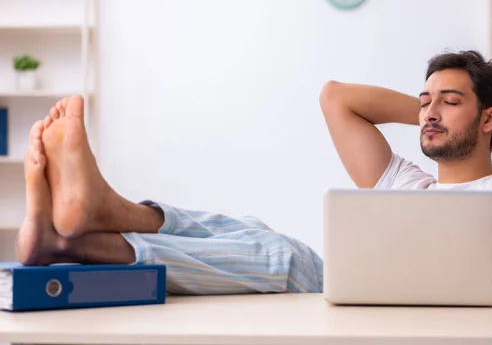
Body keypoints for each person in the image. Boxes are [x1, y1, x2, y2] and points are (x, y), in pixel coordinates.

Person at [319, 50, 492, 294]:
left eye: (451, 101)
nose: (429, 113)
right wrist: (436, 116)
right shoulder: (403, 186)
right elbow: (335, 97)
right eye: (424, 103)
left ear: (488, 119)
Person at [16, 96, 323, 294]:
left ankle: (78, 235)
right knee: (250, 228)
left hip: (331, 286)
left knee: (286, 257)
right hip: (343, 277)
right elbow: (335, 97)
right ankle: (105, 212)